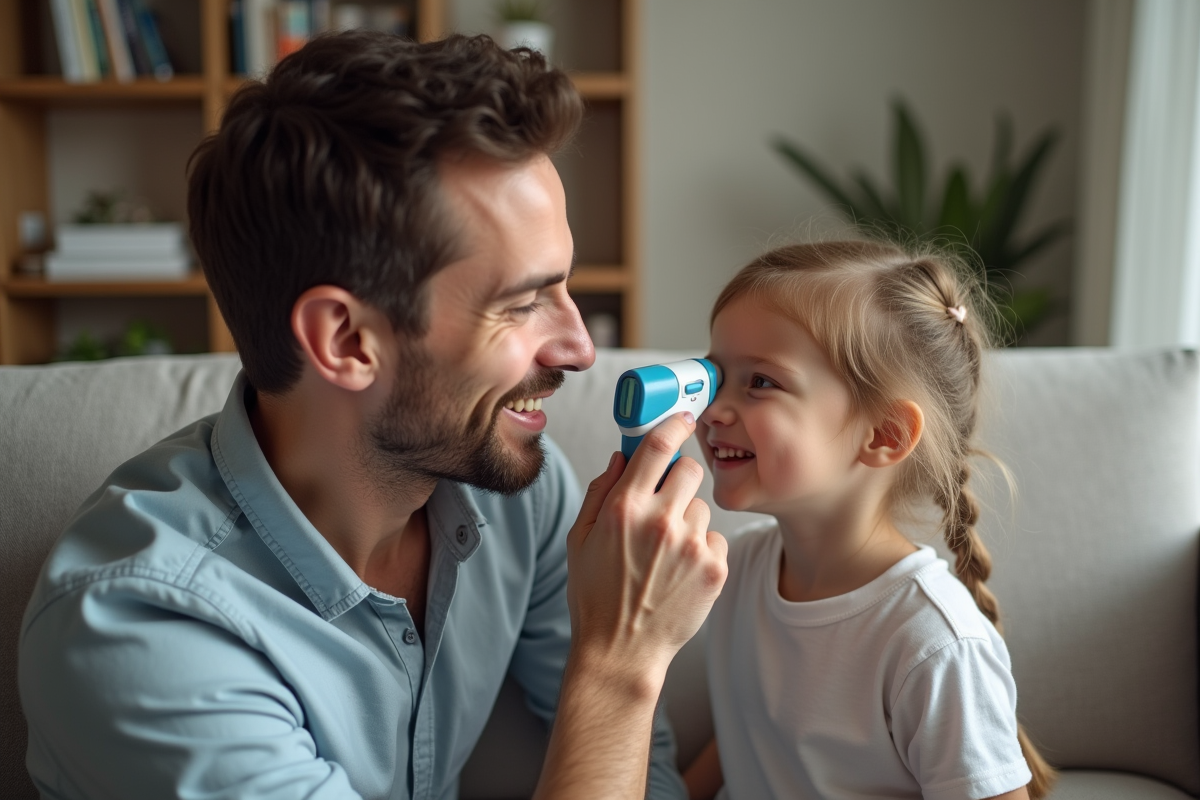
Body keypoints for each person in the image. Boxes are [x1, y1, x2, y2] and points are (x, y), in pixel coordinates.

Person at [18, 32, 728, 799]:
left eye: (564, 289)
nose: (581, 349)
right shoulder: (146, 634)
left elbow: (641, 779)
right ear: (347, 340)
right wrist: (619, 664)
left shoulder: (521, 496)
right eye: (523, 303)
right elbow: (612, 717)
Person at [681, 240, 1056, 800]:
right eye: (715, 375)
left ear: (884, 435)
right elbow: (754, 733)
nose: (711, 409)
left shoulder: (932, 641)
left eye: (760, 382)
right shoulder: (737, 571)